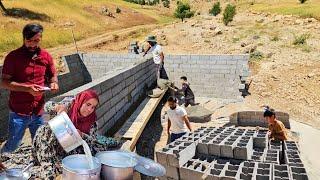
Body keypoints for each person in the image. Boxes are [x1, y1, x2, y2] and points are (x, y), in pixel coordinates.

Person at [30, 89, 119, 179]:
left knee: (68, 169)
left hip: (70, 147)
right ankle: (47, 165)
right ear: (81, 101)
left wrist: (82, 135)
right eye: (88, 104)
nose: (89, 110)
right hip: (53, 145)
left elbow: (92, 141)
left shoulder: (92, 121)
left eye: (93, 107)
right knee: (45, 130)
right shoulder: (69, 105)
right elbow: (47, 106)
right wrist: (57, 107)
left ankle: (51, 168)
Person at [0, 23, 59, 153]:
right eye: (29, 41)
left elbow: (52, 75)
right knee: (12, 146)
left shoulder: (46, 56)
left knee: (39, 144)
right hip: (18, 113)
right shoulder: (13, 57)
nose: (32, 44)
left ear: (41, 39)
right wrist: (27, 89)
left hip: (39, 112)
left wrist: (54, 83)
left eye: (36, 40)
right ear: (23, 38)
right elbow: (3, 82)